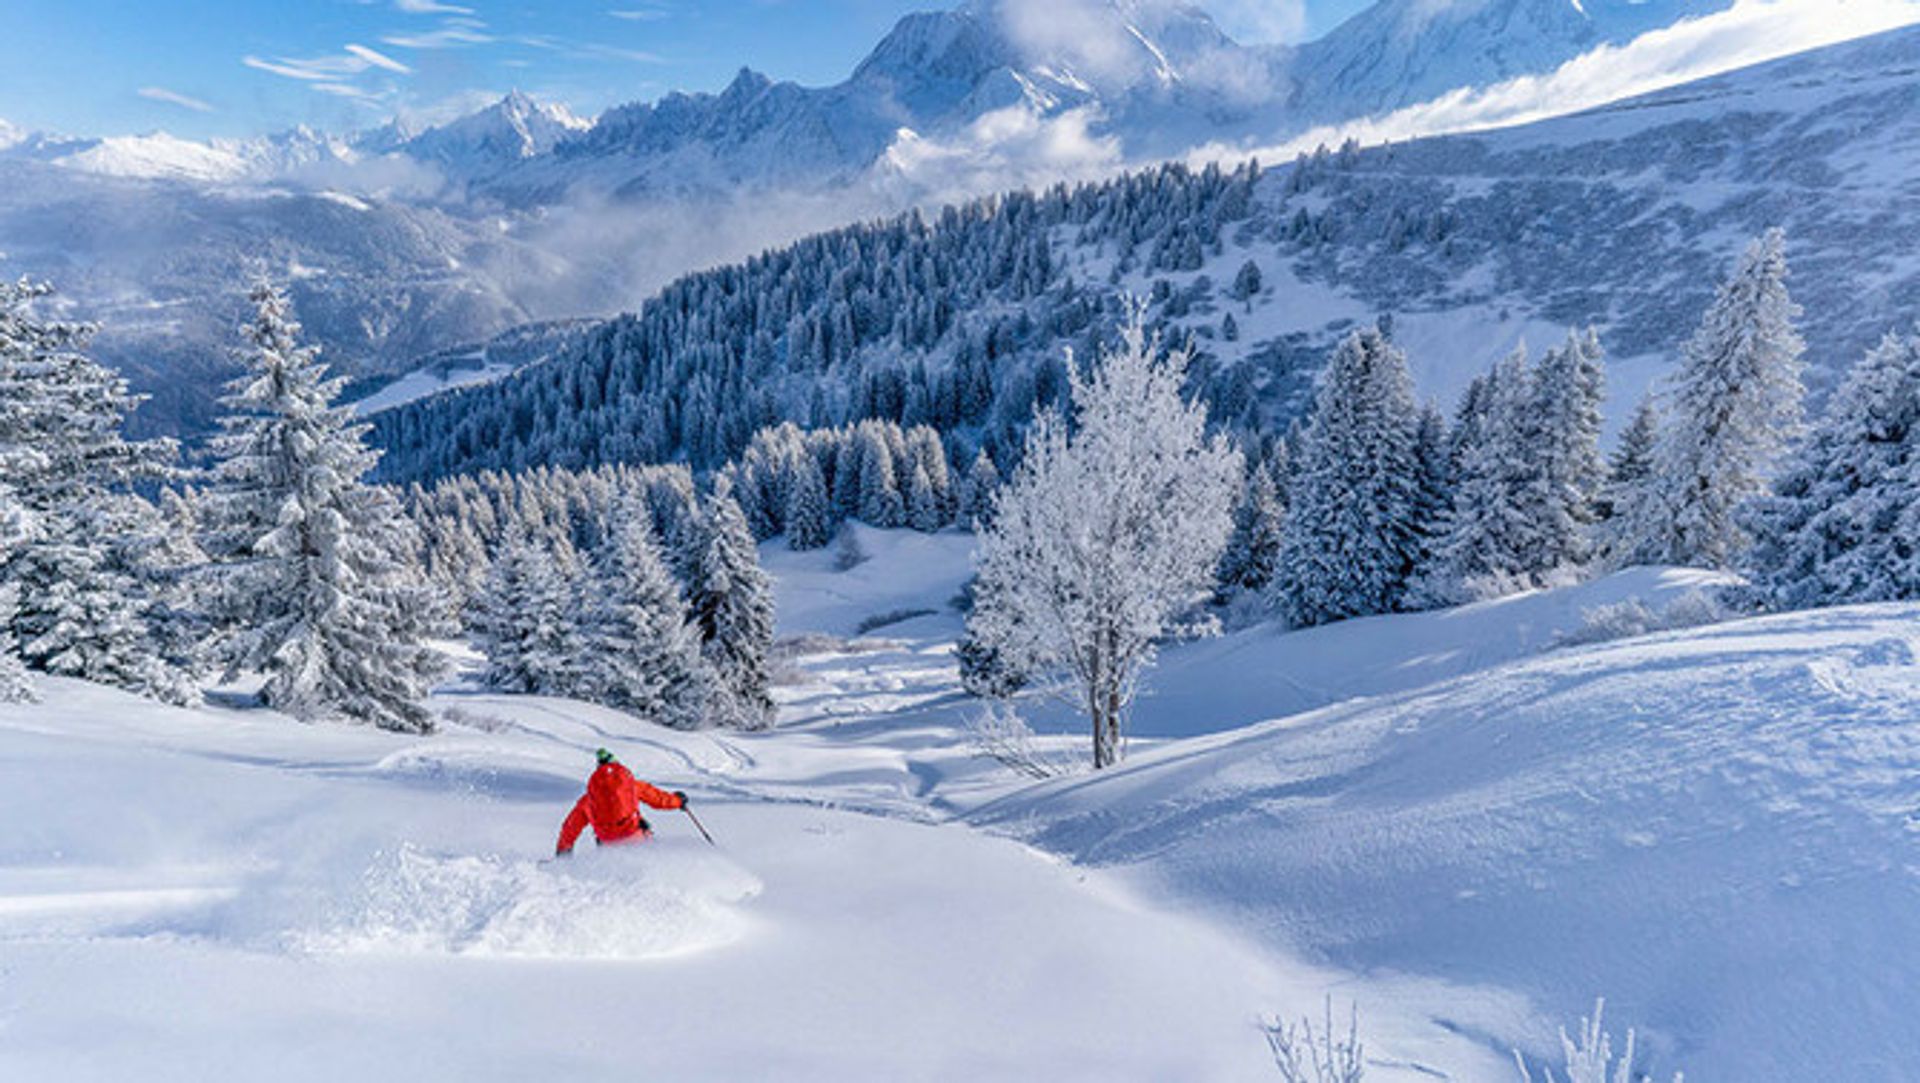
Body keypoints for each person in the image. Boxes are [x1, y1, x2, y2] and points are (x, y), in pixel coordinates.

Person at [555, 748, 689, 856]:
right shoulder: (633, 786)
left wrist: (563, 850)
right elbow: (659, 800)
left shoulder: (588, 799)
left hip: (607, 843)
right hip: (635, 836)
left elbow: (571, 826)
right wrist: (678, 800)